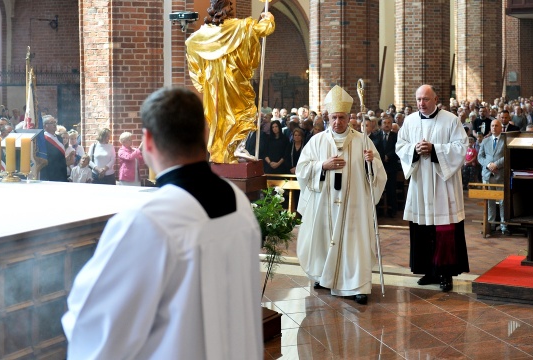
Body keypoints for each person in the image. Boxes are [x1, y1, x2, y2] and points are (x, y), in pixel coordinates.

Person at [62, 87, 263, 359]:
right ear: (205, 134)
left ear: (148, 140)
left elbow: (96, 330)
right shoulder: (239, 204)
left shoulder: (149, 220)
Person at [295, 85, 386, 305]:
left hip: (354, 205)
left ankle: (358, 285)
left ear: (349, 118)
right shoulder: (317, 142)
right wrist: (322, 166)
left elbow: (378, 176)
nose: (338, 122)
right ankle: (322, 276)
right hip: (324, 204)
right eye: (334, 117)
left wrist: (370, 163)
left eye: (342, 117)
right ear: (328, 117)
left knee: (354, 243)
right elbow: (302, 169)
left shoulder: (363, 141)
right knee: (323, 239)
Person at [395, 84, 469, 292]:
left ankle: (445, 273)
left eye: (426, 99)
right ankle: (429, 270)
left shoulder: (451, 120)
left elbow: (461, 148)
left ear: (435, 99)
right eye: (418, 99)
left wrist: (435, 150)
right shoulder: (409, 121)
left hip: (442, 185)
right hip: (420, 183)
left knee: (443, 230)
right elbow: (400, 147)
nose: (421, 103)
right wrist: (414, 150)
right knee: (423, 229)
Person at [186, 0, 275, 164]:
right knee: (244, 112)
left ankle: (224, 151)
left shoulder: (204, 33)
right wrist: (268, 18)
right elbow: (263, 29)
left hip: (214, 84)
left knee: (219, 118)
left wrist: (203, 75)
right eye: (230, 7)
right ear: (227, 9)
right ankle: (236, 147)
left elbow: (190, 42)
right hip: (234, 79)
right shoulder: (240, 26)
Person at [478, 119, 508, 235]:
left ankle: (503, 226)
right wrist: (489, 165)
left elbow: (507, 155)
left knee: (502, 202)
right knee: (489, 201)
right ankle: (490, 225)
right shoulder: (485, 141)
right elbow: (480, 157)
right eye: (492, 126)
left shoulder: (505, 140)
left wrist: (497, 164)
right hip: (487, 175)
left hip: (500, 175)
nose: (494, 128)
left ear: (501, 128)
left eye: (496, 126)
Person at [40, 115, 68, 182]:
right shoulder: (43, 139)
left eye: (55, 122)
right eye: (51, 122)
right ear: (45, 126)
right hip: (51, 173)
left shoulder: (59, 138)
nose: (54, 124)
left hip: (61, 171)